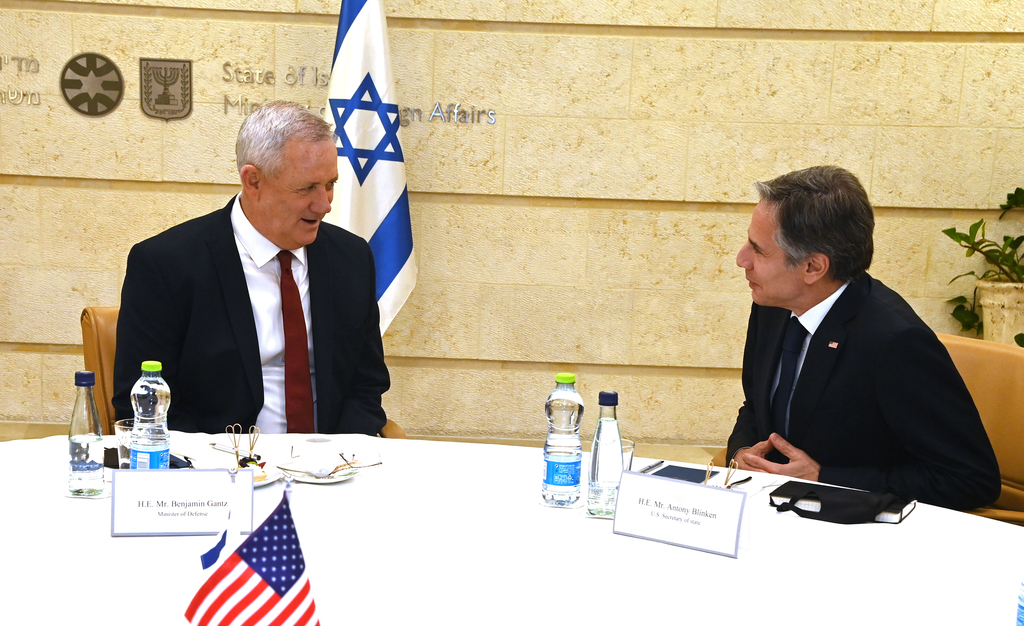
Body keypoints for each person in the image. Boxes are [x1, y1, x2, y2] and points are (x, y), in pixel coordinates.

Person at [728, 165, 1000, 511]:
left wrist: (824, 477)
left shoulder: (896, 342)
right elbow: (756, 405)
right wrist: (740, 453)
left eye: (758, 250)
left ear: (813, 267)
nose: (741, 260)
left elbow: (970, 480)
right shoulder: (774, 303)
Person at [112, 101, 389, 435]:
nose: (325, 204)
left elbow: (366, 386)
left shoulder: (351, 258)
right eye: (306, 189)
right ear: (253, 181)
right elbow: (143, 407)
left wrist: (339, 456)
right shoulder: (166, 265)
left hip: (330, 467)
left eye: (330, 184)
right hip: (219, 469)